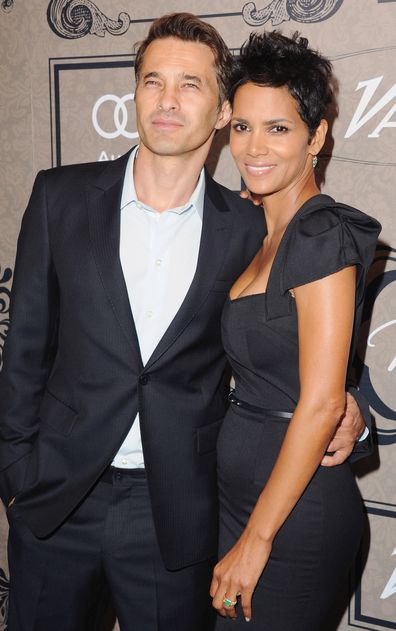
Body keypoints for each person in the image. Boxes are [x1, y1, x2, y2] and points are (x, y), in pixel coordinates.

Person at [0, 14, 371, 631]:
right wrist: (16, 477)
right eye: (153, 81)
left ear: (222, 111)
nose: (167, 100)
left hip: (177, 513)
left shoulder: (250, 229)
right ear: (135, 92)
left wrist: (346, 405)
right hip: (56, 504)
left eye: (191, 85)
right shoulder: (59, 197)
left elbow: (283, 349)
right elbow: (24, 351)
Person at [210, 31, 381, 629]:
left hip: (292, 517)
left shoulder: (321, 234)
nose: (254, 147)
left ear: (318, 136)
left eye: (278, 128)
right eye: (242, 126)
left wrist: (258, 539)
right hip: (241, 501)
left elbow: (322, 400)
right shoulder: (250, 228)